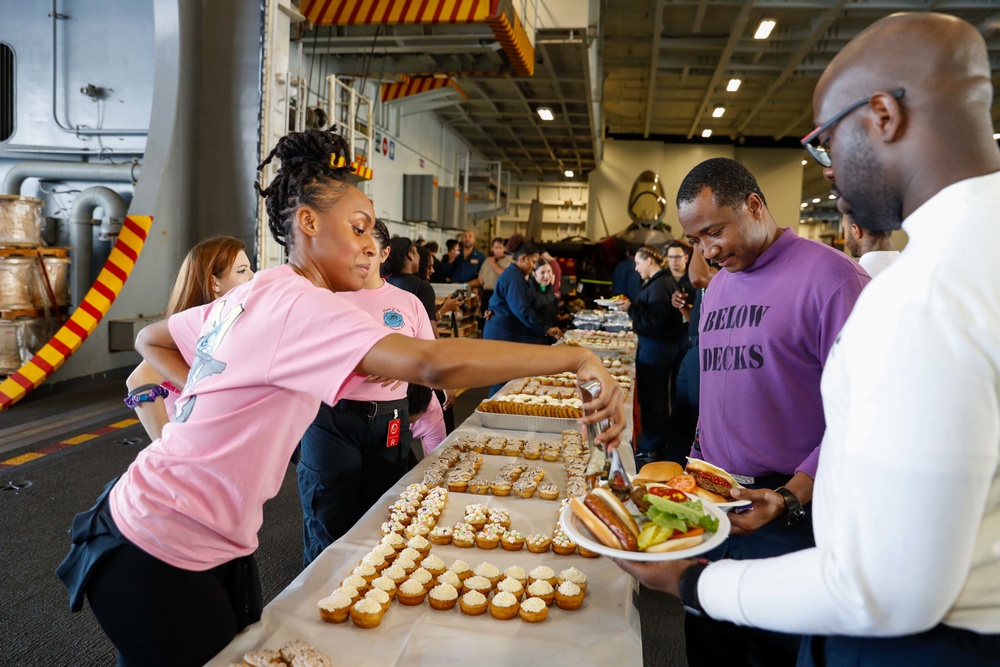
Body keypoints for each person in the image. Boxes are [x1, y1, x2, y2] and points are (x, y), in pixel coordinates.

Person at [57, 128, 626, 667]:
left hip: (203, 538)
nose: (369, 247)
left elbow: (151, 338)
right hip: (160, 544)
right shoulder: (299, 303)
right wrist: (574, 356)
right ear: (306, 222)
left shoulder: (261, 291)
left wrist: (207, 396)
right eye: (358, 229)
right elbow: (431, 363)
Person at [618, 13, 1000, 666]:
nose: (827, 171)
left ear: (882, 115)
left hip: (911, 634)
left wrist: (698, 583)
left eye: (826, 143)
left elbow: (886, 588)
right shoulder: (964, 259)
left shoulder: (919, 292)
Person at [643, 157, 870, 666]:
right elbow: (719, 384)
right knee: (706, 640)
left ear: (754, 205)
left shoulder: (834, 281)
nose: (707, 251)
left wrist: (790, 496)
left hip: (789, 512)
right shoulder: (720, 284)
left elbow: (864, 419)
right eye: (696, 240)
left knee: (773, 652)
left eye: (714, 232)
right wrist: (695, 462)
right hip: (714, 501)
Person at [296, 219, 428, 566]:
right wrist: (357, 363)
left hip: (389, 421)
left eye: (371, 249)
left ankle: (371, 592)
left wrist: (400, 363)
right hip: (333, 418)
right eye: (357, 247)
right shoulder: (327, 298)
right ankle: (316, 601)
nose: (363, 256)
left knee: (382, 513)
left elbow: (428, 357)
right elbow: (303, 355)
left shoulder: (408, 303)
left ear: (384, 254)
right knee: (328, 514)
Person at [125, 236, 254, 440]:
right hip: (193, 449)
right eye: (242, 270)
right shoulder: (192, 330)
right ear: (214, 283)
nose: (252, 277)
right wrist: (165, 449)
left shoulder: (218, 326)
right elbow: (139, 380)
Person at [618, 245, 686, 463]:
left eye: (638, 263)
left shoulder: (659, 285)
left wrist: (630, 308)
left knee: (653, 400)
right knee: (656, 398)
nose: (636, 268)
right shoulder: (661, 282)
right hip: (659, 346)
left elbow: (655, 319)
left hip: (657, 348)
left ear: (649, 261)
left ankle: (651, 446)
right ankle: (654, 441)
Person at [482, 243, 562, 395]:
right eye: (533, 262)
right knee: (501, 379)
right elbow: (521, 309)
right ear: (523, 258)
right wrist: (545, 329)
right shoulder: (513, 278)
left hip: (505, 330)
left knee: (507, 378)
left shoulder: (515, 276)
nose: (533, 266)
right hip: (502, 333)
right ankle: (494, 414)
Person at [666, 247, 718, 464]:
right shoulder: (709, 282)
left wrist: (696, 240)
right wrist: (682, 309)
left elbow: (698, 276)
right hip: (692, 346)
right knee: (681, 412)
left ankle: (693, 464)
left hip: (704, 350)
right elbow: (695, 320)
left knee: (695, 413)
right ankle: (677, 463)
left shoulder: (721, 275)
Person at [842, 212, 899, 278]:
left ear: (855, 230)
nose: (845, 239)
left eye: (844, 230)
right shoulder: (911, 268)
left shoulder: (850, 279)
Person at [477, 237, 511, 308]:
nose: (498, 250)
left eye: (500, 248)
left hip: (500, 294)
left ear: (504, 248)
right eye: (496, 248)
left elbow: (504, 275)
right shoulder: (487, 260)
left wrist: (493, 263)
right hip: (486, 293)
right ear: (492, 248)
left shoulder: (509, 259)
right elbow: (480, 280)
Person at [528, 257, 559, 331]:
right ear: (534, 274)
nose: (547, 276)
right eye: (542, 272)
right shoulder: (528, 289)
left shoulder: (549, 287)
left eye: (549, 271)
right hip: (533, 334)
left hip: (549, 332)